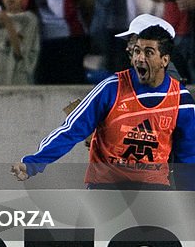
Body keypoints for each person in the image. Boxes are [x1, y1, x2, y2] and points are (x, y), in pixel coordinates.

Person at [12, 19, 195, 189]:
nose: (130, 50)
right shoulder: (111, 88)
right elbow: (71, 130)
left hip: (151, 189)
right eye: (135, 47)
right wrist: (33, 163)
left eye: (133, 42)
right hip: (108, 188)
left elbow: (187, 155)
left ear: (164, 58)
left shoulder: (181, 99)